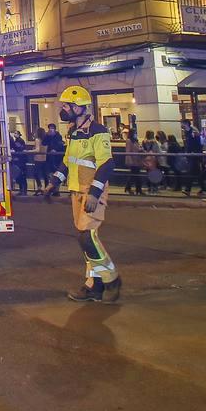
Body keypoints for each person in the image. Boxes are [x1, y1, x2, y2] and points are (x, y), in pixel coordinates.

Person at [42, 85, 121, 303]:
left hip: (91, 192)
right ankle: (93, 286)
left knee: (87, 237)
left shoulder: (99, 131)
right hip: (76, 191)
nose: (63, 109)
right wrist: (54, 183)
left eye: (67, 105)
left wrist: (95, 193)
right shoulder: (74, 133)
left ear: (79, 108)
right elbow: (68, 161)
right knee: (85, 239)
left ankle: (111, 279)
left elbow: (107, 163)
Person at [182, 125, 206, 197]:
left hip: (194, 157)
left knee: (190, 173)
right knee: (197, 174)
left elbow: (196, 147)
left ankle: (188, 189)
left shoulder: (195, 138)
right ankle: (203, 189)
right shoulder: (192, 138)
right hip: (193, 157)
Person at [43, 123, 66, 194]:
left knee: (57, 173)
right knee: (50, 173)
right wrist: (47, 136)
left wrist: (55, 150)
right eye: (49, 128)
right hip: (49, 158)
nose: (51, 129)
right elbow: (44, 143)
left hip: (57, 158)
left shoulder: (58, 136)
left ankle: (56, 190)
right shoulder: (48, 136)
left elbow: (60, 145)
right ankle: (50, 189)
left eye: (52, 128)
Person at [123, 131, 143, 195]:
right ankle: (136, 189)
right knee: (135, 175)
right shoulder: (129, 141)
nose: (135, 134)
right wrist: (129, 161)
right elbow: (128, 151)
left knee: (135, 175)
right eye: (134, 133)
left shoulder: (136, 141)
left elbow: (137, 148)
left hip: (137, 160)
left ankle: (135, 188)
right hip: (132, 161)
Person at [9, 131, 28, 195]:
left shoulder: (20, 140)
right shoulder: (16, 140)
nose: (15, 134)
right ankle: (21, 190)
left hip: (21, 160)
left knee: (22, 175)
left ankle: (23, 190)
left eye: (16, 133)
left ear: (19, 134)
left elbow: (19, 148)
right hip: (19, 160)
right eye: (14, 133)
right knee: (20, 176)